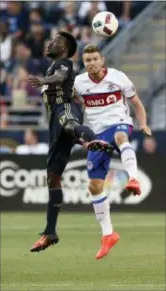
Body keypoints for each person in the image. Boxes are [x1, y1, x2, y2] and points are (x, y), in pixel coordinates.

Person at [28, 32, 112, 252]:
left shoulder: (63, 63)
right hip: (54, 123)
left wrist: (45, 80)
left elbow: (60, 77)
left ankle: (94, 140)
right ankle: (50, 232)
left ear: (64, 49)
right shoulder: (53, 65)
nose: (50, 43)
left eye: (56, 41)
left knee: (69, 125)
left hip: (63, 110)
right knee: (52, 178)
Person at [74, 44, 152, 259]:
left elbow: (136, 103)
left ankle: (133, 178)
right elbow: (70, 105)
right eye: (87, 60)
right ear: (84, 62)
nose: (91, 63)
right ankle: (108, 234)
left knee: (120, 136)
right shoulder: (79, 83)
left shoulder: (118, 77)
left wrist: (143, 124)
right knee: (95, 186)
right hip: (97, 134)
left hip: (119, 122)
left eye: (94, 59)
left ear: (102, 60)